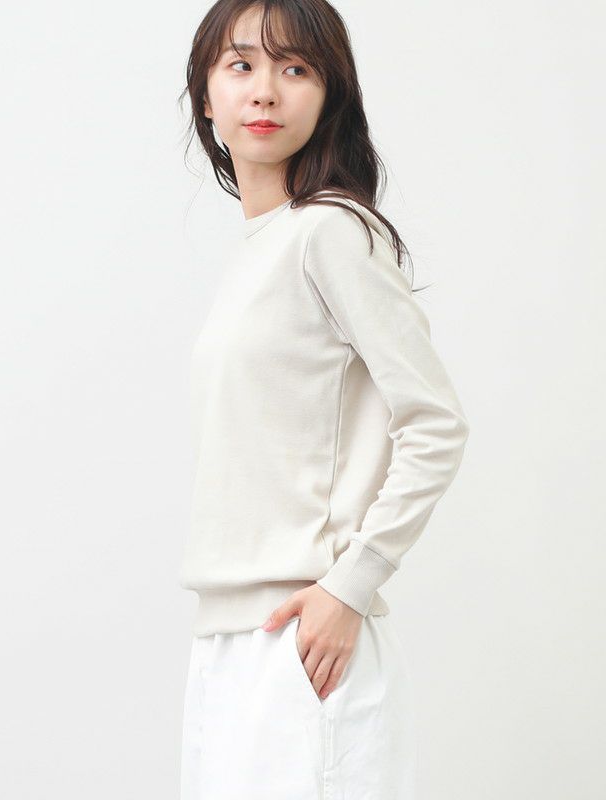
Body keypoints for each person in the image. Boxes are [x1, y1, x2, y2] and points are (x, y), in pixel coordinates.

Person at [176, 1, 470, 797]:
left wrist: (351, 584)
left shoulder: (331, 232)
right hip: (229, 640)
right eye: (241, 65)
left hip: (300, 642)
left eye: (295, 68)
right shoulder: (262, 248)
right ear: (206, 95)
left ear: (330, 94)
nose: (264, 90)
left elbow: (435, 422)